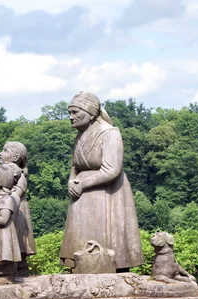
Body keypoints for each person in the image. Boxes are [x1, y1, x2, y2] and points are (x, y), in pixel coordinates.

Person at [60, 92, 144, 272]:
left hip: (108, 194)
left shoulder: (110, 133)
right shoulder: (80, 136)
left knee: (109, 241)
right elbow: (74, 165)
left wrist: (83, 183)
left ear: (90, 113)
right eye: (70, 113)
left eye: (75, 112)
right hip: (82, 197)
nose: (70, 117)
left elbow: (112, 170)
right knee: (80, 240)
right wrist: (71, 181)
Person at [0, 141, 36, 276]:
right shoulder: (0, 172)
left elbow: (17, 194)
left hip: (17, 210)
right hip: (4, 208)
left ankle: (20, 270)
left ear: (15, 158)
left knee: (19, 239)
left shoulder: (19, 175)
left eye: (5, 151)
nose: (0, 153)